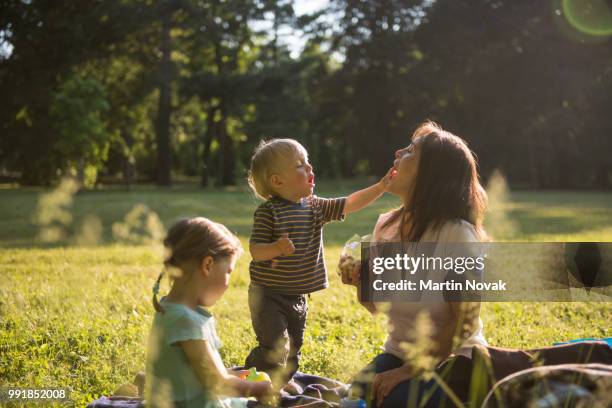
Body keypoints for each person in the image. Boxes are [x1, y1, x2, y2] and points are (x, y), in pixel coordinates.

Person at [344, 121, 489, 408]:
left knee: (395, 401)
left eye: (410, 150)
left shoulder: (456, 234)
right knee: (356, 395)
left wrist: (407, 373)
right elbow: (377, 306)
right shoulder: (386, 226)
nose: (398, 152)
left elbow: (464, 321)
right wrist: (360, 281)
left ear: (430, 174)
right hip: (400, 353)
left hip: (455, 360)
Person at [245, 138, 393, 387]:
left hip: (298, 297)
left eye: (308, 162)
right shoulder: (268, 212)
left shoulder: (315, 207)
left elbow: (350, 202)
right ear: (277, 181)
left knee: (293, 353)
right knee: (276, 348)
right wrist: (276, 248)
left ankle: (278, 383)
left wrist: (381, 187)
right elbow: (255, 250)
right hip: (268, 295)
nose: (310, 169)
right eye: (300, 165)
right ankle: (254, 379)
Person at [145, 217, 273, 408]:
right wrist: (259, 389)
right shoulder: (185, 320)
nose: (229, 281)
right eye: (228, 271)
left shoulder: (170, 309)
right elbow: (218, 383)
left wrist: (237, 375)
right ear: (207, 265)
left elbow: (199, 372)